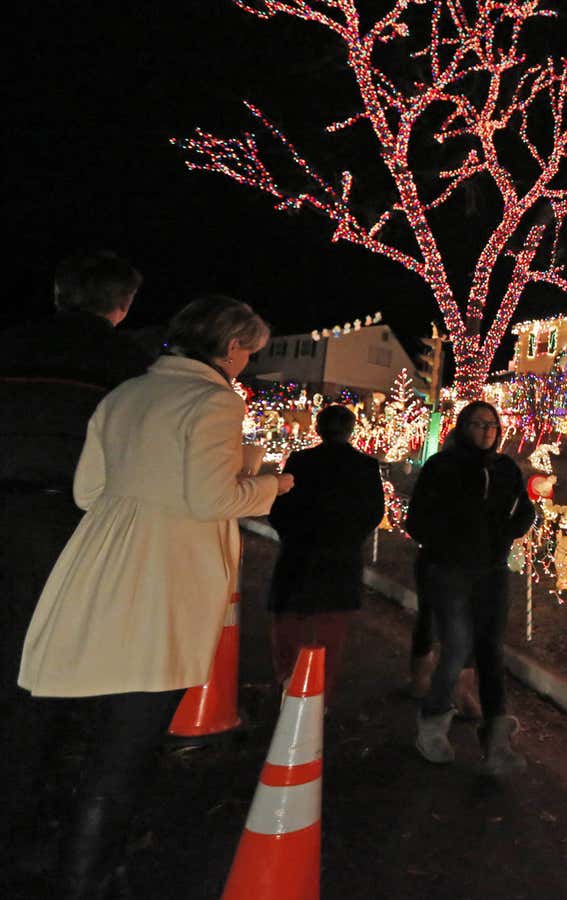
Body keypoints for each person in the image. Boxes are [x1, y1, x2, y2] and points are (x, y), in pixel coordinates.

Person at [17, 295, 291, 897]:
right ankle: (87, 875)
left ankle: (62, 854)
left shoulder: (124, 393)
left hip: (100, 566)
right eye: (249, 350)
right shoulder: (215, 400)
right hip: (163, 582)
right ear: (231, 346)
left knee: (84, 729)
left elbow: (89, 490)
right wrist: (274, 482)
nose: (247, 362)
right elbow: (212, 500)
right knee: (128, 745)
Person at [0, 251, 155, 862]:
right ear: (122, 305)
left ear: (61, 292)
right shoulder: (128, 364)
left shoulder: (11, 342)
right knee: (45, 668)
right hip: (66, 522)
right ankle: (30, 812)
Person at [405, 400, 538, 773]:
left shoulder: (505, 468)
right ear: (463, 427)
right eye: (478, 424)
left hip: (492, 571)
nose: (486, 431)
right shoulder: (442, 467)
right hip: (449, 571)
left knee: (491, 652)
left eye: (492, 425)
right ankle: (432, 722)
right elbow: (416, 518)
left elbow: (524, 509)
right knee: (457, 647)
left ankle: (496, 740)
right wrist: (444, 546)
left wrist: (507, 535)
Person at [267, 404, 384, 699]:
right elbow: (373, 512)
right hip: (341, 556)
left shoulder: (300, 461)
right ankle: (320, 692)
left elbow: (279, 507)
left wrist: (290, 534)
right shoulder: (366, 466)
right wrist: (351, 537)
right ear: (350, 430)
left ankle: (286, 681)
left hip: (299, 552)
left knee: (291, 622)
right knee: (331, 630)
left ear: (318, 429)